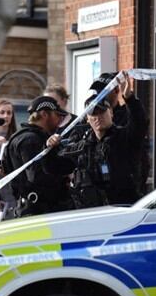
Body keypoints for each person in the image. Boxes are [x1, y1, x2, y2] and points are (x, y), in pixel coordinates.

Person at [47, 72, 148, 208]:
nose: (97, 117)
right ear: (87, 119)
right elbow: (54, 167)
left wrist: (129, 98)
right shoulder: (83, 145)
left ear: (111, 112)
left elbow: (140, 124)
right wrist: (50, 148)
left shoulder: (124, 137)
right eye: (93, 114)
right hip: (92, 213)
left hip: (123, 210)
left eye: (101, 112)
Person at [74, 72, 151, 196]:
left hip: (122, 193)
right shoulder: (87, 122)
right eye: (97, 91)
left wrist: (129, 98)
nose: (99, 94)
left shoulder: (128, 115)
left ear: (116, 90)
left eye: (104, 90)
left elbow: (139, 129)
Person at [2, 96, 74, 217]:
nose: (59, 120)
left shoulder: (20, 137)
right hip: (39, 211)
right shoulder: (31, 140)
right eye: (57, 115)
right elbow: (37, 177)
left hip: (31, 208)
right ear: (45, 114)